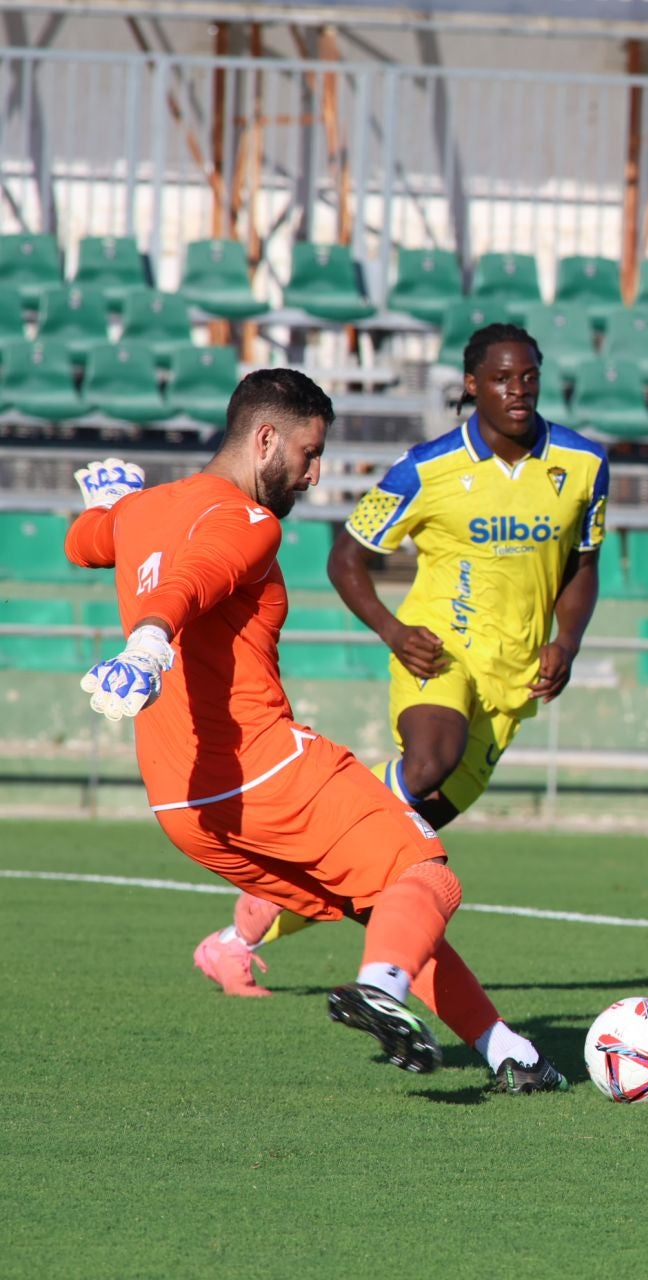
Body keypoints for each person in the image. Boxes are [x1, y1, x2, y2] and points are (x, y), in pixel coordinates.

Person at [67, 369, 567, 1092]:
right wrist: (149, 642)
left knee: (386, 904)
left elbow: (86, 543)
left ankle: (506, 1052)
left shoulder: (143, 512)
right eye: (308, 452)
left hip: (183, 804)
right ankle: (381, 990)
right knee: (426, 875)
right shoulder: (249, 522)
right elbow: (198, 576)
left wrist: (107, 504)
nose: (313, 473)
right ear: (264, 439)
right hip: (264, 768)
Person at [189, 323, 609, 999]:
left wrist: (568, 642)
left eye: (528, 376)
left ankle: (240, 938)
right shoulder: (426, 468)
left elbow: (583, 567)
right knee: (427, 763)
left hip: (515, 680)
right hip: (436, 651)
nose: (518, 390)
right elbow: (345, 556)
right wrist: (392, 629)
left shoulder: (584, 465)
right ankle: (322, 818)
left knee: (396, 847)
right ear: (472, 386)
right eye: (501, 378)